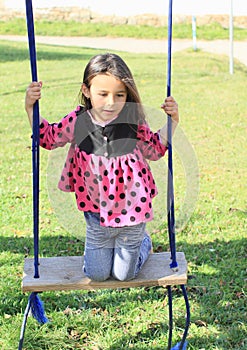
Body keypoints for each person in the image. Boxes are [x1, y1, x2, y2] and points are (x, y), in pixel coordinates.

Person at [25, 53, 179, 282]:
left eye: (119, 95)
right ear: (86, 91)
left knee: (123, 275)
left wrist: (172, 121)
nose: (110, 102)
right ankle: (112, 248)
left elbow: (155, 149)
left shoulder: (132, 121)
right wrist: (30, 108)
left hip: (132, 212)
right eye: (103, 94)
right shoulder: (78, 121)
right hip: (95, 214)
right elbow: (48, 137)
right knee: (97, 274)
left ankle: (143, 242)